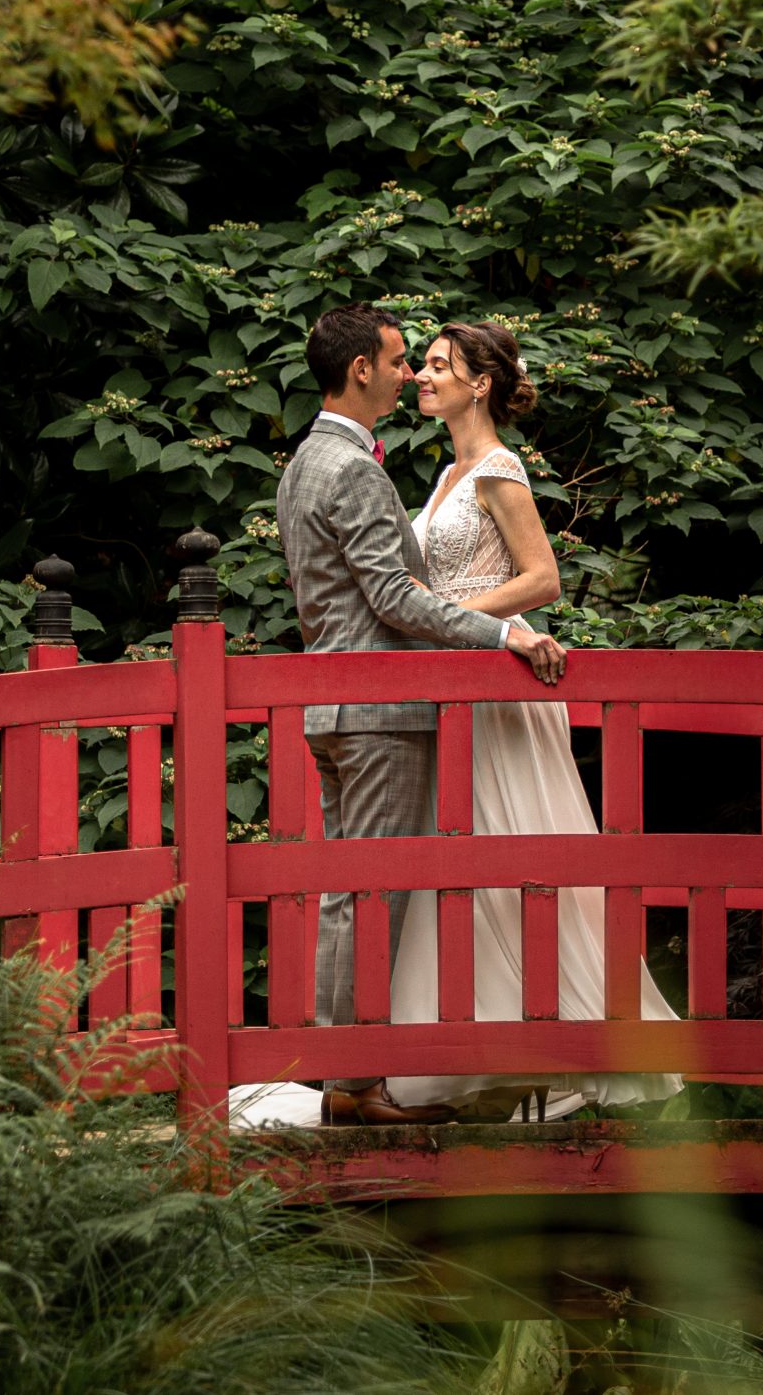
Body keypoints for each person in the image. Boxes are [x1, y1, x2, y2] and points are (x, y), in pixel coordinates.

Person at [273, 303, 568, 1128]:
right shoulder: (358, 469)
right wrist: (501, 631)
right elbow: (395, 596)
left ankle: (344, 1076)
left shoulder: (302, 464)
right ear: (360, 367)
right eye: (401, 360)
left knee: (347, 893)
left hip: (329, 701)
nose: (410, 375)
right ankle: (356, 1086)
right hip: (379, 709)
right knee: (372, 894)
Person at [384, 321, 682, 1118]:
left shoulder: (497, 469)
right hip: (455, 687)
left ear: (479, 383)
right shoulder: (444, 474)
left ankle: (583, 1035)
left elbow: (543, 578)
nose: (422, 375)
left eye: (439, 366)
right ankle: (480, 1049)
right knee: (465, 863)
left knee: (519, 856)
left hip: (498, 684)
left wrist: (449, 615)